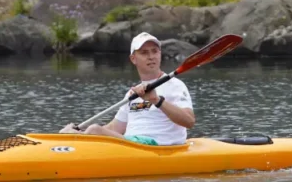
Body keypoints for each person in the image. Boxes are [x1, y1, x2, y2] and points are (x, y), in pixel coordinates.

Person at [60, 32, 195, 145]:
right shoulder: (133, 93)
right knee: (90, 130)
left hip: (156, 146)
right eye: (144, 53)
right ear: (133, 59)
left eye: (155, 51)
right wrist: (77, 134)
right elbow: (114, 128)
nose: (151, 56)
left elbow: (189, 121)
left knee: (94, 130)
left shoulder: (175, 85)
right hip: (132, 145)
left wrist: (157, 100)